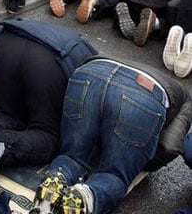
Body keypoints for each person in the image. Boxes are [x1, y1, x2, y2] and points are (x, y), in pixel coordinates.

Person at [30, 57, 191, 214]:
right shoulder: (186, 101)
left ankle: (57, 179)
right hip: (143, 95)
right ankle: (86, 197)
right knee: (114, 174)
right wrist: (140, 161)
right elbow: (170, 147)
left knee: (71, 156)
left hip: (91, 72)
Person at [0, 20, 98, 190]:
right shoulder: (92, 62)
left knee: (6, 113)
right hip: (45, 60)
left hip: (6, 43)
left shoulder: (65, 37)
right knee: (47, 134)